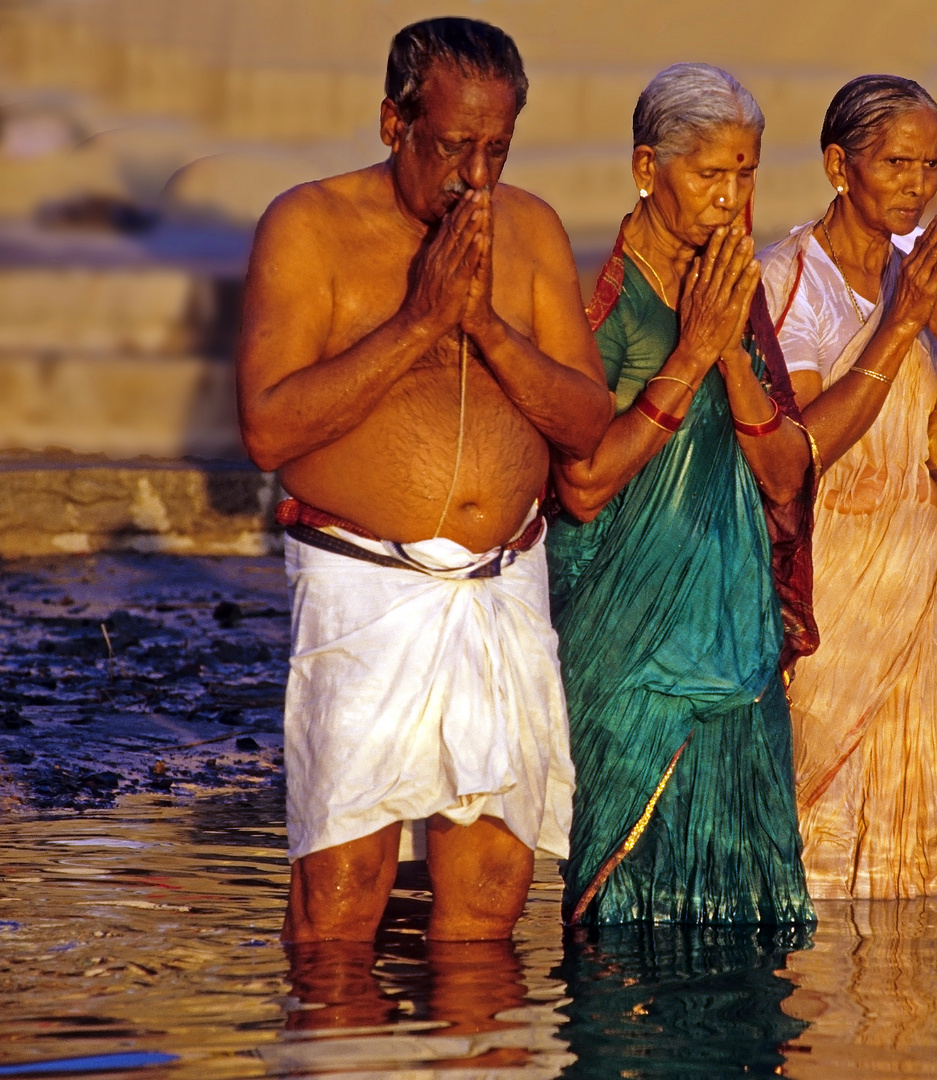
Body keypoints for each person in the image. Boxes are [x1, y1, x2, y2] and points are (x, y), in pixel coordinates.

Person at [236, 17, 613, 942]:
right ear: (390, 123)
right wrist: (418, 321)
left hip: (502, 587)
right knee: (342, 891)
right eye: (452, 147)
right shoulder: (309, 223)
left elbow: (586, 420)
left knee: (491, 890)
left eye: (496, 148)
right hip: (364, 586)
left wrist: (484, 326)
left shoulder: (530, 228)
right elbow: (267, 430)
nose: (474, 176)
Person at [760, 74, 937, 900]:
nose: (916, 186)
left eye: (929, 166)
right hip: (825, 614)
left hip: (924, 613)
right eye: (895, 163)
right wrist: (898, 327)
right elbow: (801, 449)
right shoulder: (788, 282)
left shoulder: (933, 281)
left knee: (907, 860)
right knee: (816, 837)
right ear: (837, 166)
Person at [548, 63, 816, 926]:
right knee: (626, 912)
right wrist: (692, 350)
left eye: (746, 173)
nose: (731, 198)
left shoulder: (735, 295)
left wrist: (729, 347)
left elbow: (783, 476)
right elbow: (583, 487)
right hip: (632, 663)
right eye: (709, 174)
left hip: (737, 654)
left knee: (745, 908)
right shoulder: (605, 307)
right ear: (644, 168)